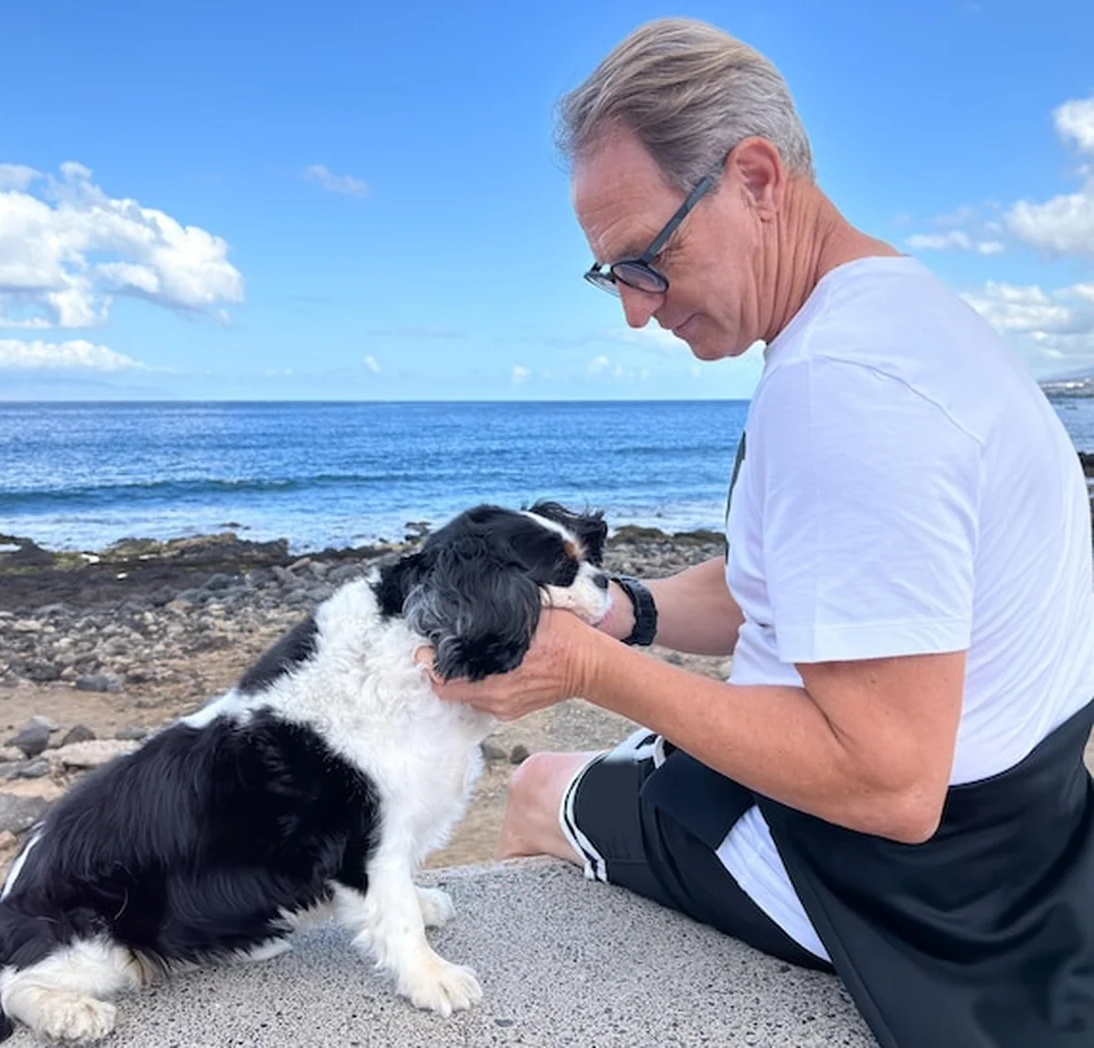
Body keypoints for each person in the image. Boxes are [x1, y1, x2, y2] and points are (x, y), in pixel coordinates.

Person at [417, 17, 1094, 1048]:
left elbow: (889, 781)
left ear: (758, 179)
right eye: (613, 276)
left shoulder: (840, 389)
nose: (637, 312)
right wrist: (617, 611)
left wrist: (579, 670)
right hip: (1029, 842)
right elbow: (791, 582)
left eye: (647, 259)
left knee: (535, 784)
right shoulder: (900, 317)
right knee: (642, 744)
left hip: (902, 884)